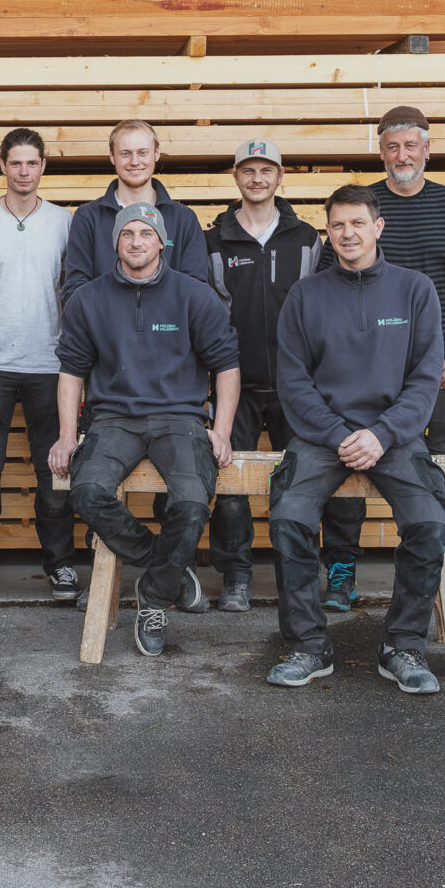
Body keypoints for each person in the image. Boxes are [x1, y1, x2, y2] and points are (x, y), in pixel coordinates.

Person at [265, 184, 445, 695]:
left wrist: (382, 433)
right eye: (338, 225)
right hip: (322, 435)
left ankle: (403, 645)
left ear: (378, 227)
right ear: (329, 232)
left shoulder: (415, 290)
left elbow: (423, 378)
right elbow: (294, 381)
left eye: (357, 223)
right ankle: (308, 646)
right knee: (287, 520)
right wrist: (338, 434)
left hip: (394, 435)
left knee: (431, 524)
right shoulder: (306, 295)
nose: (348, 233)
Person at [315, 106, 445, 613]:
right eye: (392, 146)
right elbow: (333, 287)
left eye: (411, 145)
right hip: (366, 370)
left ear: (427, 149)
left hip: (436, 371)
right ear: (381, 150)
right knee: (348, 464)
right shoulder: (361, 209)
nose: (402, 155)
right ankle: (342, 570)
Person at [48, 203, 241, 657]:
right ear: (115, 241)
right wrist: (66, 434)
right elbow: (71, 371)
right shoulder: (88, 299)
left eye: (145, 233)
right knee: (88, 490)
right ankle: (167, 564)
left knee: (192, 502)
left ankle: (153, 597)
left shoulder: (193, 295)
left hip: (181, 418)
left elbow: (227, 365)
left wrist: (223, 429)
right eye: (127, 233)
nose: (136, 241)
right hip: (113, 418)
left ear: (161, 242)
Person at [0, 128, 79, 603]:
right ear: (2, 165)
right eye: (16, 163)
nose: (24, 171)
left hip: (52, 365)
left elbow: (74, 290)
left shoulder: (65, 223)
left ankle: (62, 565)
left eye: (32, 163)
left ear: (43, 166)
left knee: (56, 470)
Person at [203, 139, 321, 613]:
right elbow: (207, 313)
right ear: (236, 177)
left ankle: (299, 574)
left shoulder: (308, 239)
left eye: (265, 170)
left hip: (298, 385)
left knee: (304, 481)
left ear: (280, 176)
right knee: (231, 484)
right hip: (235, 384)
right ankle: (236, 575)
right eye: (248, 170)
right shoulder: (215, 241)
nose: (257, 178)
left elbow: (320, 306)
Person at [61, 119, 210, 302]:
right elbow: (75, 291)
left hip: (169, 329)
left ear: (156, 153)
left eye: (142, 153)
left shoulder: (183, 219)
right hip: (106, 329)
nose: (134, 161)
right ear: (112, 157)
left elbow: (197, 291)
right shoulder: (88, 218)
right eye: (125, 153)